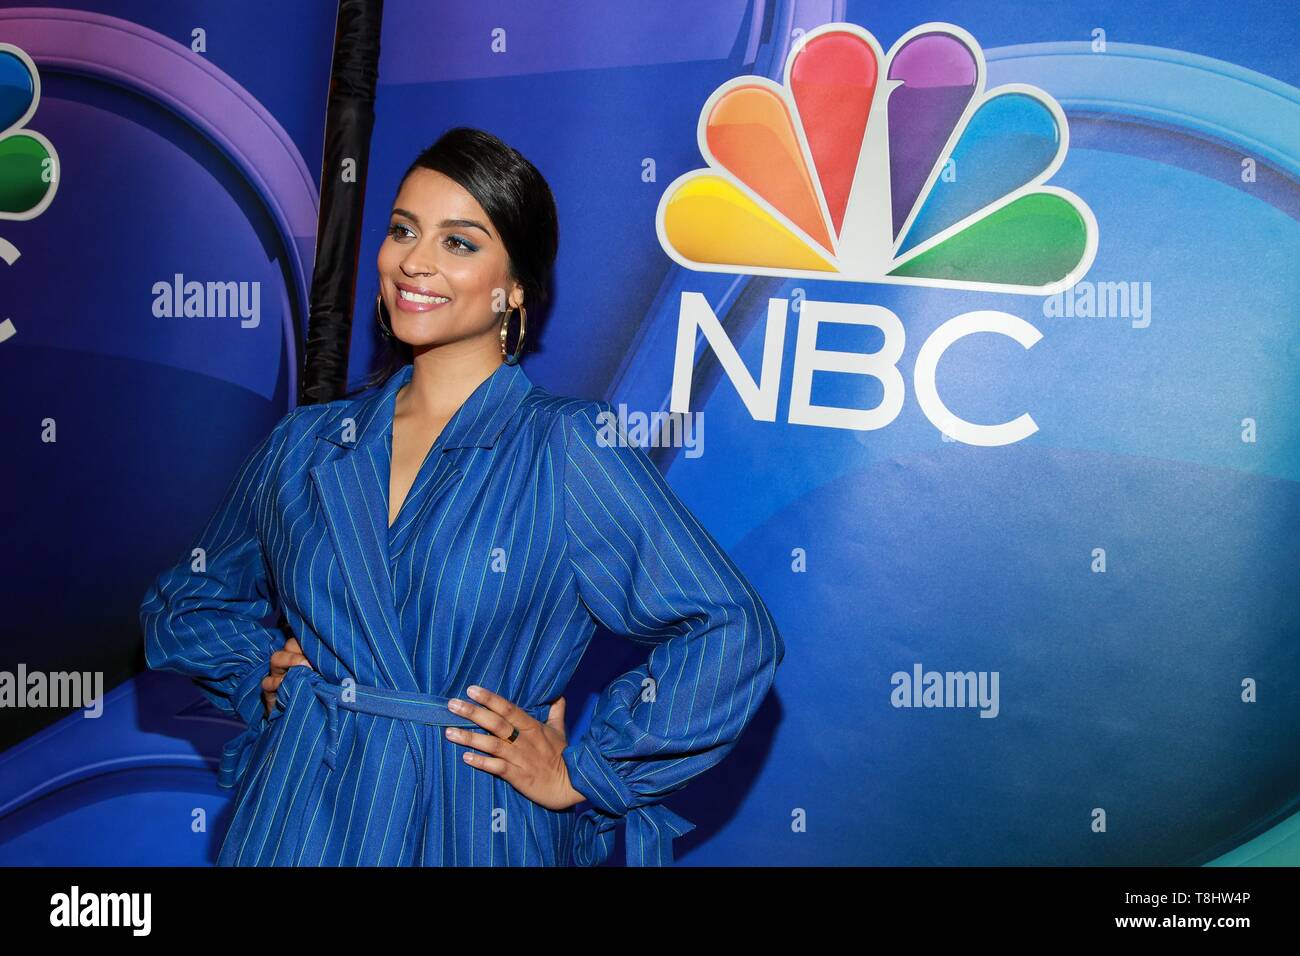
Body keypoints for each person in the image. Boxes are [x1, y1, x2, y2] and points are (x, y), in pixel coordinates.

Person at [140, 126, 785, 866]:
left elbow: (730, 629)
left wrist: (586, 771)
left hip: (472, 823)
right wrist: (259, 675)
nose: (414, 260)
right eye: (402, 230)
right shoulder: (308, 444)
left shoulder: (566, 447)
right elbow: (188, 601)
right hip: (298, 824)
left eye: (459, 242)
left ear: (516, 287)